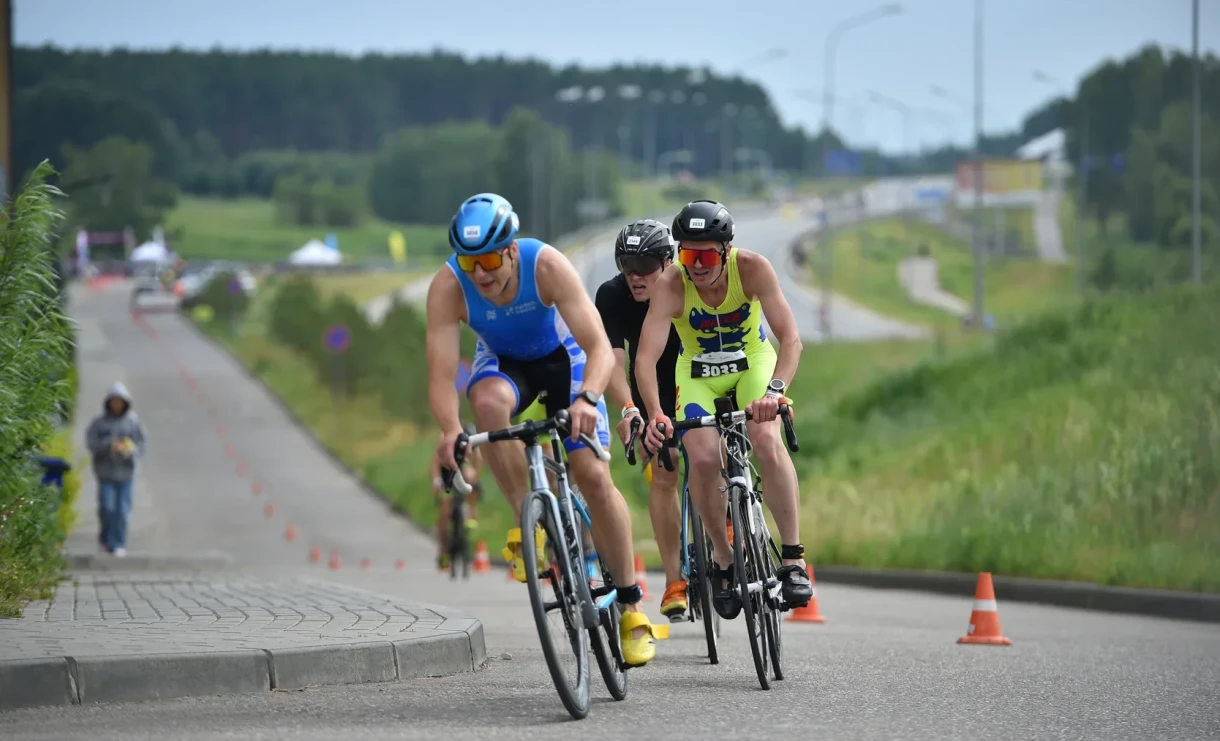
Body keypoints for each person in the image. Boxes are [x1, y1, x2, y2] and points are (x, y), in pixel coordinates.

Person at [425, 192, 664, 666]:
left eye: (491, 259)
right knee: (486, 401)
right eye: (470, 263)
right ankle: (528, 521)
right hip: (506, 364)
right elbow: (439, 374)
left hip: (567, 360)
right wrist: (450, 429)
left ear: (512, 249)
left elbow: (597, 346)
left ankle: (632, 606)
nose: (482, 274)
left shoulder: (547, 266)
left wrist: (589, 399)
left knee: (592, 476)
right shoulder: (448, 286)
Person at [635, 200, 814, 620]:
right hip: (697, 372)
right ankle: (722, 554)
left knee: (765, 439)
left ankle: (792, 558)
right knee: (699, 458)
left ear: (727, 251)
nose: (695, 266)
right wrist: (656, 413)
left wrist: (775, 392)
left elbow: (790, 339)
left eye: (705, 256)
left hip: (752, 363)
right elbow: (645, 359)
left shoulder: (752, 269)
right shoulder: (672, 284)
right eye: (685, 254)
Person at [595, 219, 688, 621]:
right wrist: (629, 409)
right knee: (665, 470)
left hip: (697, 375)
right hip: (650, 387)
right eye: (626, 265)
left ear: (668, 262)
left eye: (646, 265)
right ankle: (675, 581)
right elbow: (614, 359)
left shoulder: (688, 284)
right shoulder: (612, 295)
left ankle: (728, 518)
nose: (635, 275)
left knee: (712, 453)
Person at [84, 383, 147, 557]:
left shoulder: (133, 422)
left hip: (126, 474)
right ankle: (105, 541)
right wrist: (108, 445)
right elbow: (91, 442)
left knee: (122, 510)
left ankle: (118, 543)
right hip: (105, 473)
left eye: (120, 401)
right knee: (106, 508)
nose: (117, 405)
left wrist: (128, 450)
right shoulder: (99, 422)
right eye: (114, 401)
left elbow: (141, 445)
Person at [431, 422, 483, 570]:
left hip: (462, 468)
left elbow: (478, 461)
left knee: (471, 482)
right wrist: (436, 481)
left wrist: (475, 477)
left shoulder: (472, 440)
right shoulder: (445, 437)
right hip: (446, 471)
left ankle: (471, 513)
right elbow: (434, 464)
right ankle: (443, 551)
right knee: (445, 512)